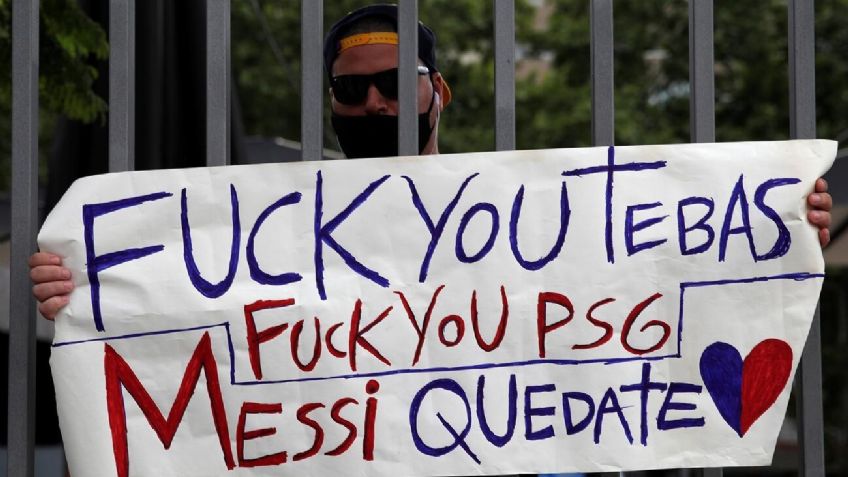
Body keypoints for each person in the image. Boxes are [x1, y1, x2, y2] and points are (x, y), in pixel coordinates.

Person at [29, 3, 835, 320]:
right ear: (331, 105)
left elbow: (652, 267)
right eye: (353, 91)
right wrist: (83, 283)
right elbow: (180, 306)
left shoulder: (524, 214)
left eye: (393, 85)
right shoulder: (271, 230)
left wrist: (777, 227)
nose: (374, 105)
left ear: (437, 90)